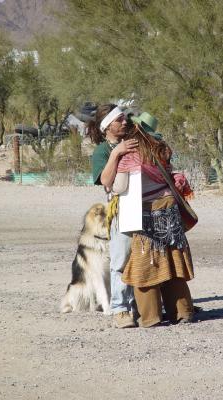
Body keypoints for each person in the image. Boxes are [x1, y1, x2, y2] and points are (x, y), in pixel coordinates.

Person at [112, 122, 195, 328]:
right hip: (170, 209)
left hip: (146, 212)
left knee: (145, 265)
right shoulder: (162, 150)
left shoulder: (129, 157)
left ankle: (150, 317)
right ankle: (182, 312)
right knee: (173, 259)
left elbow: (119, 187)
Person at [87, 104, 139, 328]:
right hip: (120, 210)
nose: (125, 122)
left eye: (125, 118)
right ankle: (120, 308)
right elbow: (106, 181)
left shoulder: (135, 142)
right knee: (121, 259)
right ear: (107, 126)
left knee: (146, 257)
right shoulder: (102, 151)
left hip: (144, 207)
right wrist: (117, 153)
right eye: (119, 120)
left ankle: (145, 306)